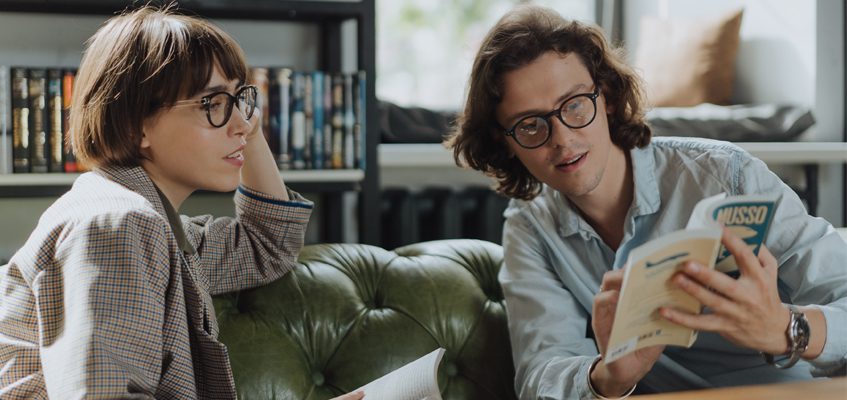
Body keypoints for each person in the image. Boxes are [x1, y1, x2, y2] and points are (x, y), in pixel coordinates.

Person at [446, 4, 847, 399]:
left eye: (574, 106)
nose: (562, 139)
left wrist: (786, 328)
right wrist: (608, 377)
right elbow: (540, 372)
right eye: (531, 125)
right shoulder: (530, 225)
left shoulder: (728, 175)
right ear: (505, 141)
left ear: (606, 98)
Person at [0, 6, 364, 400]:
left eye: (239, 98)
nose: (241, 123)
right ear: (134, 125)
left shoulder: (154, 225)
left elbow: (269, 244)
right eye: (212, 104)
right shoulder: (117, 224)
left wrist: (247, 130)